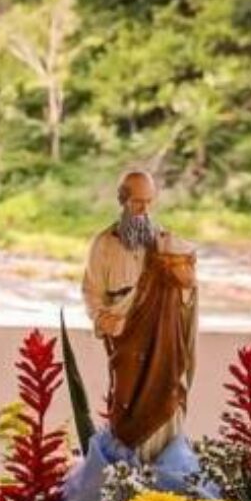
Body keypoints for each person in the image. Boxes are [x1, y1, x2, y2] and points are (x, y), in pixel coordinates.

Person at [81, 170, 199, 463]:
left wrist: (185, 284)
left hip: (161, 332)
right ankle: (129, 466)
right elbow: (92, 291)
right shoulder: (104, 244)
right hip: (125, 333)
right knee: (127, 401)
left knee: (166, 387)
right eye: (137, 202)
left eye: (148, 202)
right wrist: (102, 319)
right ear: (123, 200)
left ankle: (158, 457)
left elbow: (185, 286)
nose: (143, 209)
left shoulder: (164, 243)